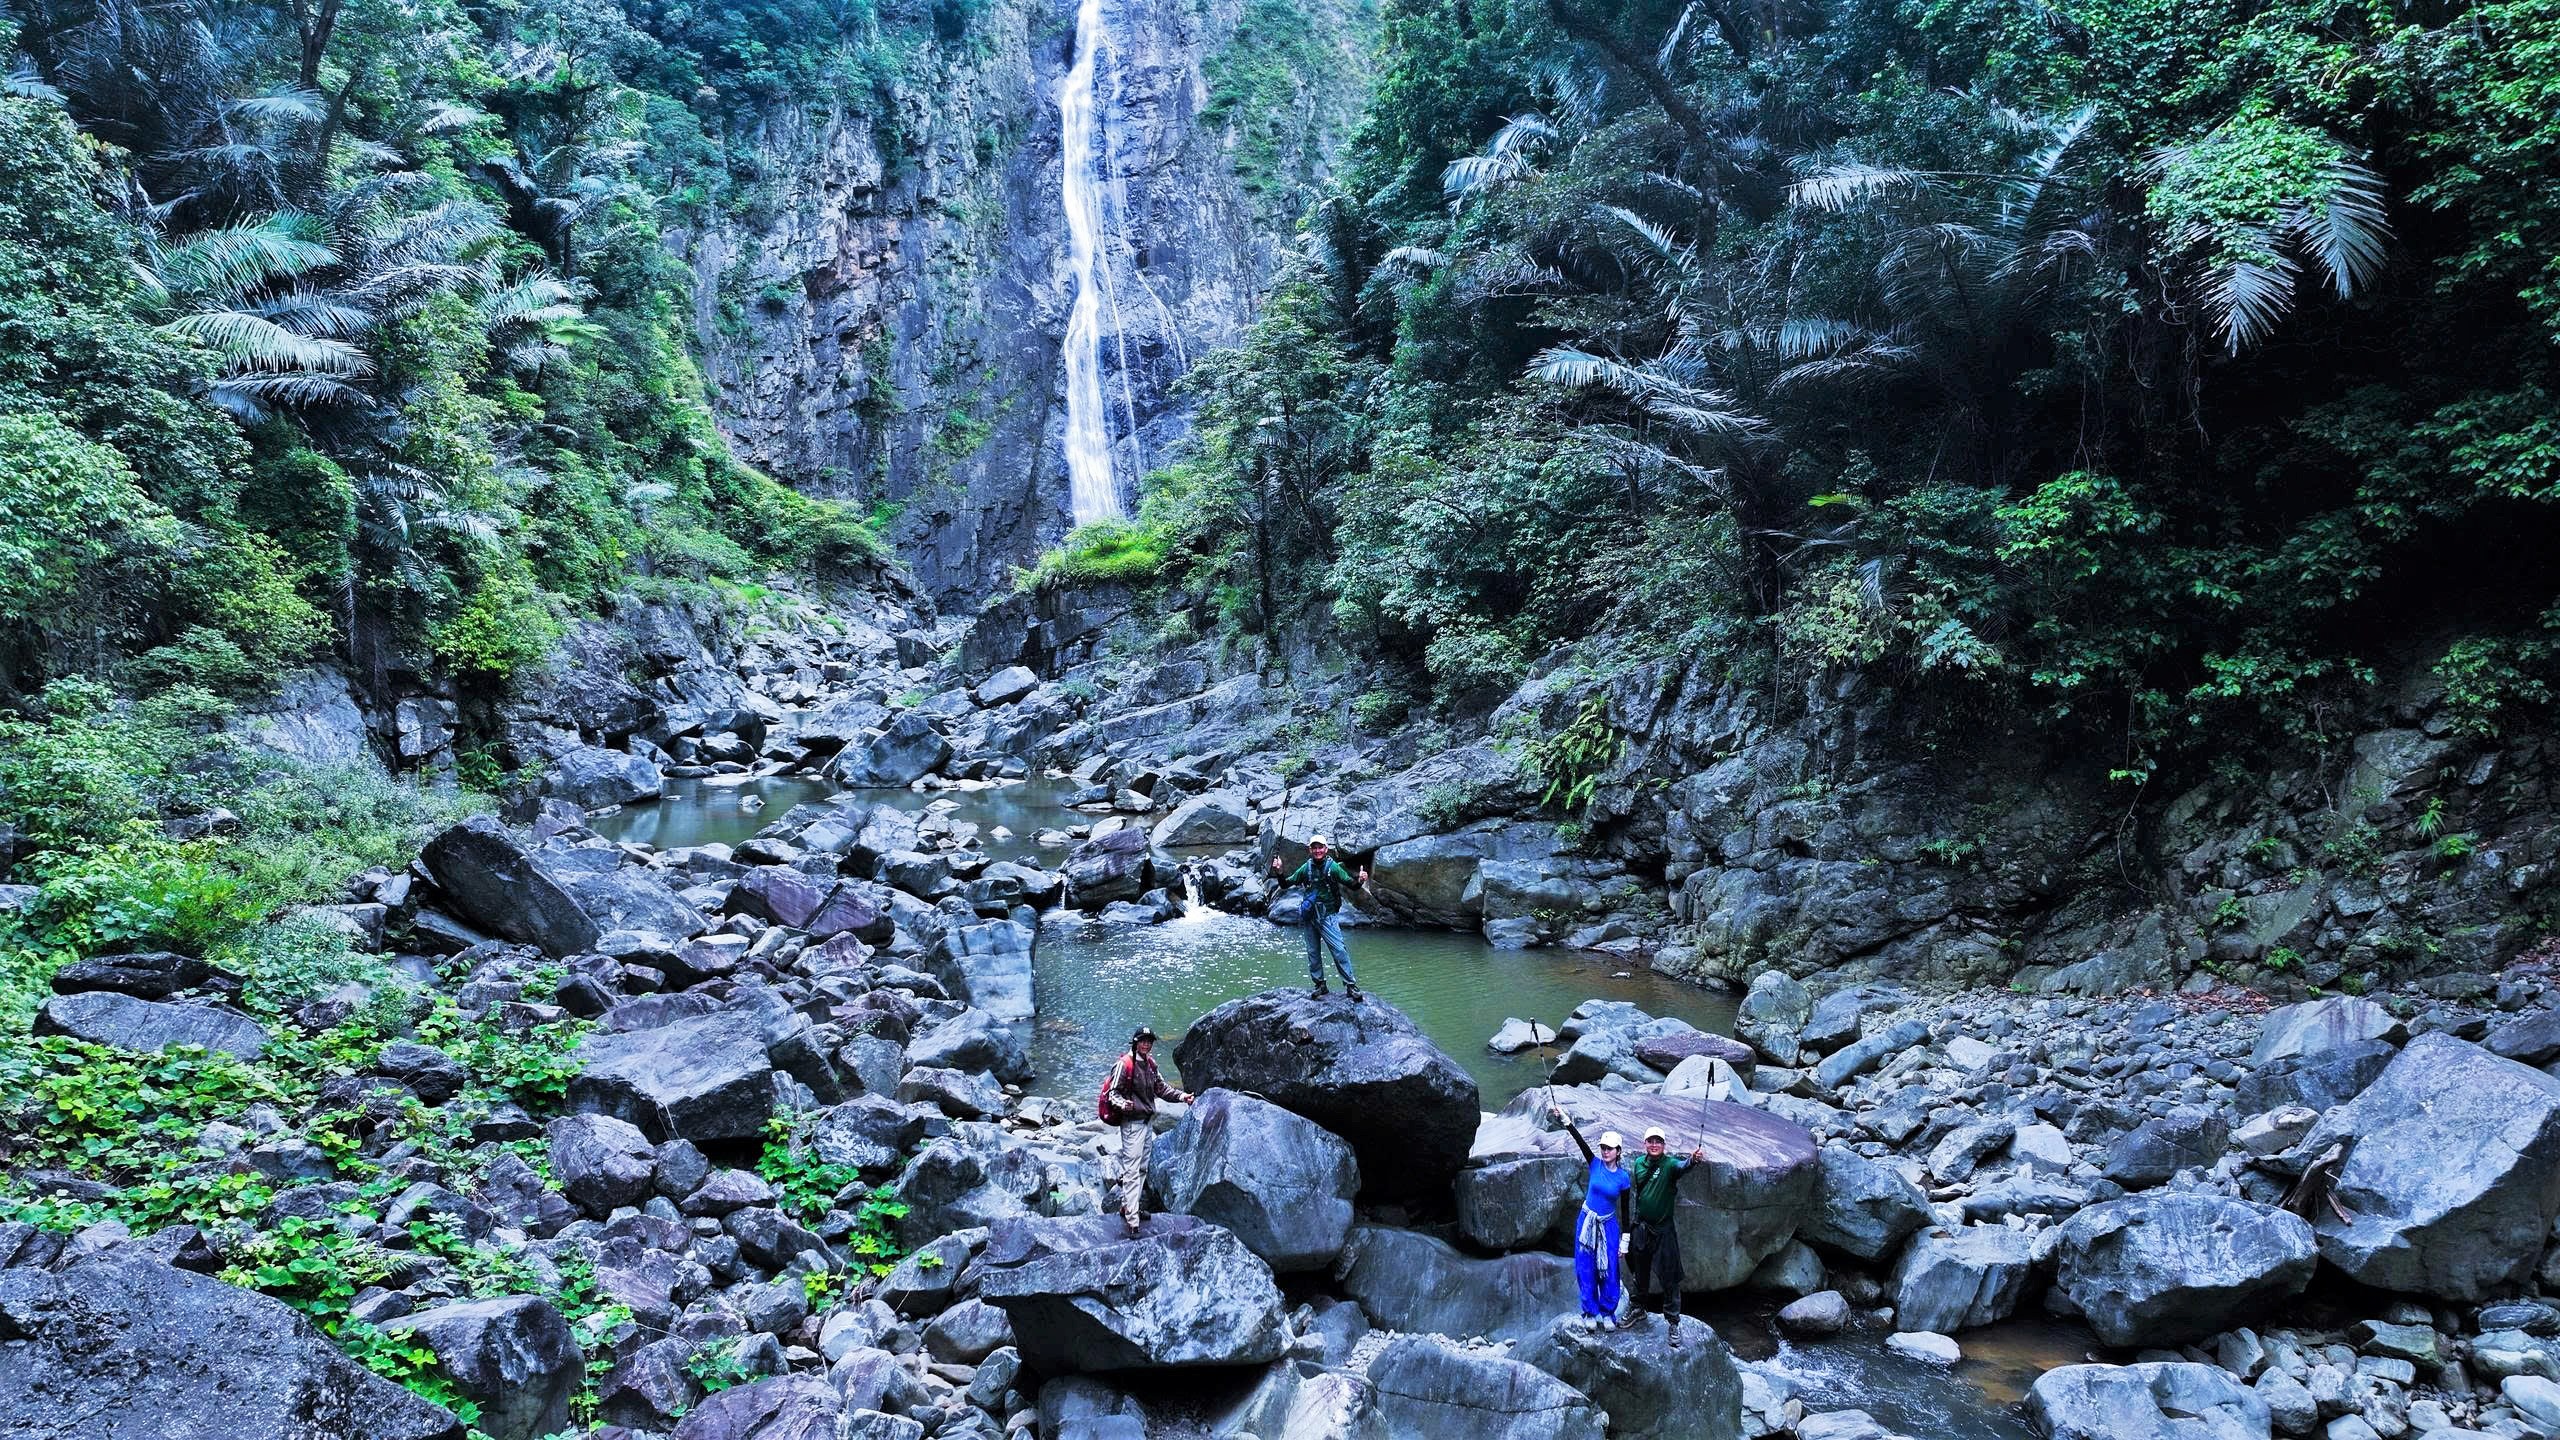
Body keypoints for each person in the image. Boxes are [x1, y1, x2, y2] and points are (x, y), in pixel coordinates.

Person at [1550, 1101, 1634, 1330]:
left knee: (1609, 1269)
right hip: (1586, 1222)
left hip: (1608, 1226)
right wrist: (1565, 1120)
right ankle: (1590, 1312)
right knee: (1585, 1266)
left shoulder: (1623, 1178)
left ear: (1618, 1151)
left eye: (1609, 1148)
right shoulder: (1595, 1164)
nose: (1605, 1151)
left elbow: (1625, 1210)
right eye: (1603, 1147)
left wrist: (1625, 1241)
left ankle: (1608, 1313)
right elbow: (1580, 1142)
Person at [1100, 1026, 1192, 1234]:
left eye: (1149, 1041)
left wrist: (1182, 1097)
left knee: (1141, 1168)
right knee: (1132, 1171)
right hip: (1132, 1125)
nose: (1147, 1044)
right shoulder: (1124, 1065)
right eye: (1143, 1041)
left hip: (1147, 1123)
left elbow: (1161, 1088)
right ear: (1135, 1042)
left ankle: (1129, 1207)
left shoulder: (1150, 1064)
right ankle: (1133, 1220)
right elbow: (1112, 1094)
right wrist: (1123, 1104)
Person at [1627, 1125, 1707, 1345]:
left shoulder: (1670, 1164)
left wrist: (1693, 1160)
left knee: (1670, 1277)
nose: (1654, 1145)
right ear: (1645, 1144)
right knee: (1640, 1273)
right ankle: (1638, 1309)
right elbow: (1639, 1195)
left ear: (1664, 1145)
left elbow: (1683, 1167)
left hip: (1664, 1231)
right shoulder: (1638, 1164)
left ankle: (1673, 1322)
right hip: (1642, 1228)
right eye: (1650, 1141)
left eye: (1658, 1142)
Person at [1270, 835, 1369, 999]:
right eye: (1314, 848)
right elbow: (1285, 884)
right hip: (1310, 916)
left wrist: (1359, 880)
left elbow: (1351, 884)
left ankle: (1351, 986)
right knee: (1313, 952)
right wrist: (1279, 871)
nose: (1317, 850)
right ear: (1310, 850)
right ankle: (1320, 985)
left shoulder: (1333, 868)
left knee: (1339, 950)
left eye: (1320, 847)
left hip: (1328, 916)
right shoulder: (1306, 868)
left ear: (1326, 849)